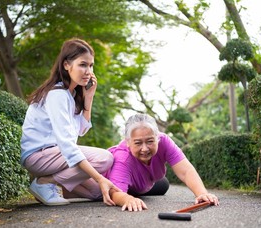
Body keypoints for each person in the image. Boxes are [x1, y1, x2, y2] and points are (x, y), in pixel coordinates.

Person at [20, 38, 121, 206]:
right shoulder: (57, 94)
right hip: (39, 156)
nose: (88, 71)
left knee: (96, 192)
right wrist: (100, 177)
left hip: (55, 156)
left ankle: (48, 188)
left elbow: (81, 130)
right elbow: (67, 144)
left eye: (91, 65)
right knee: (104, 159)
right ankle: (44, 183)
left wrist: (89, 97)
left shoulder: (71, 95)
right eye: (83, 64)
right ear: (67, 65)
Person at [104, 113, 219, 211]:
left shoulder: (164, 141)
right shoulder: (122, 157)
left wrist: (202, 194)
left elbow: (186, 171)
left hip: (143, 185)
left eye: (150, 141)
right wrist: (128, 199)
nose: (144, 149)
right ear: (128, 142)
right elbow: (115, 193)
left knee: (163, 184)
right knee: (126, 195)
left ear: (157, 137)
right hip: (116, 185)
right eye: (138, 143)